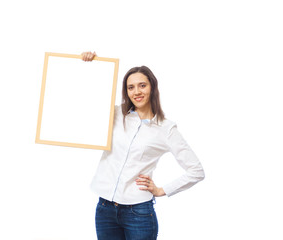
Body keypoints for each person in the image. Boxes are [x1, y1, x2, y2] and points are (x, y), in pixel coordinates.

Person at [81, 51, 205, 240]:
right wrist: (89, 65)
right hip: (105, 208)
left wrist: (162, 190)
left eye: (142, 85)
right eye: (131, 87)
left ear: (152, 87)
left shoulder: (166, 128)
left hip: (138, 213)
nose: (136, 92)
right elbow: (82, 100)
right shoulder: (115, 115)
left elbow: (196, 170)